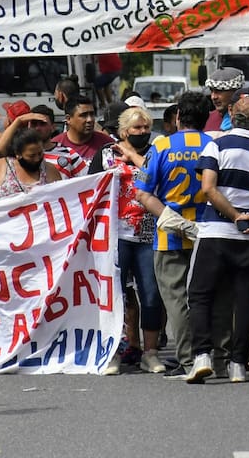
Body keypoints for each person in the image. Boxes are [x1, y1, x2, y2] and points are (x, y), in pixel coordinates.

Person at [185, 96, 249, 384]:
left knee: (200, 295)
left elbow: (208, 188)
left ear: (232, 117)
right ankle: (238, 364)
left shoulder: (218, 144)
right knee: (245, 300)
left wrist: (234, 215)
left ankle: (202, 355)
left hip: (216, 232)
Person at [134, 91, 215, 378]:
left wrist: (170, 219)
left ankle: (188, 359)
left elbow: (142, 192)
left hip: (169, 235)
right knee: (209, 297)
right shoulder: (213, 144)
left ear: (178, 116)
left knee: (177, 299)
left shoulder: (162, 146)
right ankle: (215, 355)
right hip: (208, 232)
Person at [88, 107, 163, 375]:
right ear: (123, 131)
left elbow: (158, 179)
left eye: (146, 128)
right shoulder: (106, 154)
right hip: (115, 234)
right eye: (137, 128)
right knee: (115, 295)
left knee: (151, 294)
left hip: (148, 233)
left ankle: (150, 353)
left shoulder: (156, 153)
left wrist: (134, 158)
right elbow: (90, 188)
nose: (143, 132)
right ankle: (113, 352)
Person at [0, 127, 64, 204]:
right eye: (31, 156)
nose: (37, 159)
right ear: (18, 154)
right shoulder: (0, 168)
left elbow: (60, 198)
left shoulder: (49, 170)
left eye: (40, 153)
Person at [50, 96, 114, 163]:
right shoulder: (55, 146)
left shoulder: (106, 143)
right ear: (68, 119)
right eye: (83, 115)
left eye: (92, 114)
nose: (90, 119)